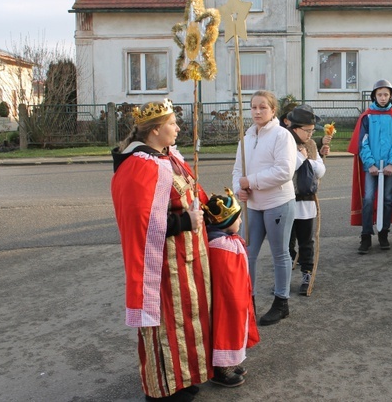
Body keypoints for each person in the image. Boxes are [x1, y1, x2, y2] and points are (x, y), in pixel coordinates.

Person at [111, 99, 212, 401]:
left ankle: (184, 377)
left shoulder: (168, 156)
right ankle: (165, 388)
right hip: (162, 264)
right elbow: (141, 222)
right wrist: (184, 221)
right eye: (172, 124)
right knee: (166, 323)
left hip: (186, 259)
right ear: (155, 130)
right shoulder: (140, 167)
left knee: (188, 319)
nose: (178, 128)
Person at [233, 90, 297, 326]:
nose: (257, 111)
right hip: (252, 204)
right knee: (247, 253)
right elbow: (237, 171)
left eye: (263, 107)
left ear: (273, 111)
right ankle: (247, 301)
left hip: (277, 203)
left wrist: (252, 182)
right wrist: (239, 189)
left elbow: (284, 171)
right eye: (253, 107)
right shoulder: (246, 137)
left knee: (280, 253)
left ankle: (281, 302)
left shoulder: (282, 136)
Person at [349, 80, 392, 253]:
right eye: (379, 94)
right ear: (374, 96)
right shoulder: (367, 116)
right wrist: (370, 163)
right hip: (371, 166)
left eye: (386, 94)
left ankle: (383, 233)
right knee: (368, 199)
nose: (382, 98)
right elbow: (362, 142)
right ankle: (365, 236)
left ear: (391, 96)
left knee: (387, 199)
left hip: (390, 166)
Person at [203, 189, 260, 388]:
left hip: (237, 295)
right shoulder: (221, 247)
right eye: (238, 219)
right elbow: (226, 280)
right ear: (226, 223)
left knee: (235, 324)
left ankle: (231, 360)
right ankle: (221, 368)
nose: (241, 222)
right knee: (225, 325)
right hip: (226, 299)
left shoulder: (228, 242)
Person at [285, 105, 326, 294]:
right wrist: (301, 160)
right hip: (285, 200)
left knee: (306, 240)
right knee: (286, 242)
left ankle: (306, 273)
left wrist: (306, 160)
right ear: (295, 129)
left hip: (306, 200)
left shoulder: (310, 145)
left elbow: (320, 170)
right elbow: (286, 169)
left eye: (312, 131)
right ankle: (283, 277)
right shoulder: (284, 143)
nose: (310, 135)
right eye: (307, 131)